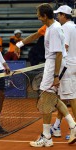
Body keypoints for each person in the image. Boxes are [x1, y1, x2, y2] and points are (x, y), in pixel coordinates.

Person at [29, 3, 76, 147]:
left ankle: (47, 137)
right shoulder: (54, 27)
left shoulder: (54, 29)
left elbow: (59, 53)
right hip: (55, 66)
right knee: (54, 99)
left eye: (39, 16)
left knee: (45, 101)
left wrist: (55, 75)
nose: (38, 18)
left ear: (44, 16)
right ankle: (73, 126)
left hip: (53, 67)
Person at [50, 5, 76, 140]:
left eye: (59, 15)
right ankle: (56, 126)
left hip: (68, 66)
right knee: (62, 98)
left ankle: (75, 129)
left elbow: (64, 47)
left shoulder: (65, 28)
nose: (57, 17)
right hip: (73, 65)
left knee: (71, 97)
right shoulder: (74, 26)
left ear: (64, 15)